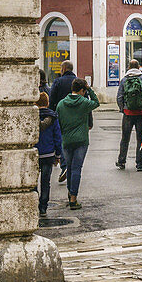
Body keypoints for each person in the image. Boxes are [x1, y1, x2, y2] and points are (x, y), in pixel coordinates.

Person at [55, 78, 100, 210]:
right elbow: (96, 102)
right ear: (82, 90)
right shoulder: (84, 103)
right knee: (76, 168)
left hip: (67, 140)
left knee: (69, 167)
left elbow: (59, 124)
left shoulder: (61, 104)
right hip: (81, 140)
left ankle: (70, 192)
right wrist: (90, 89)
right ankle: (73, 198)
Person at [115, 59, 142, 171]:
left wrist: (123, 109)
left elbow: (119, 97)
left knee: (125, 138)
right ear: (139, 67)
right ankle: (139, 164)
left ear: (129, 67)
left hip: (128, 113)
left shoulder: (124, 79)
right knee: (140, 139)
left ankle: (121, 161)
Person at [48, 60, 76, 183]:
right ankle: (73, 167)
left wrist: (51, 115)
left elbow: (52, 98)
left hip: (61, 115)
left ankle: (65, 166)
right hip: (76, 116)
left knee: (63, 141)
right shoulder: (78, 81)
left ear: (64, 69)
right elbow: (86, 99)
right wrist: (89, 121)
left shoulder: (58, 81)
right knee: (75, 142)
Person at [37, 91, 62, 216]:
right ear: (47, 103)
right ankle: (43, 206)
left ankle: (32, 203)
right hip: (48, 154)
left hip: (34, 153)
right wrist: (58, 155)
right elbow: (57, 137)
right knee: (45, 182)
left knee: (32, 181)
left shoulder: (32, 117)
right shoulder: (53, 117)